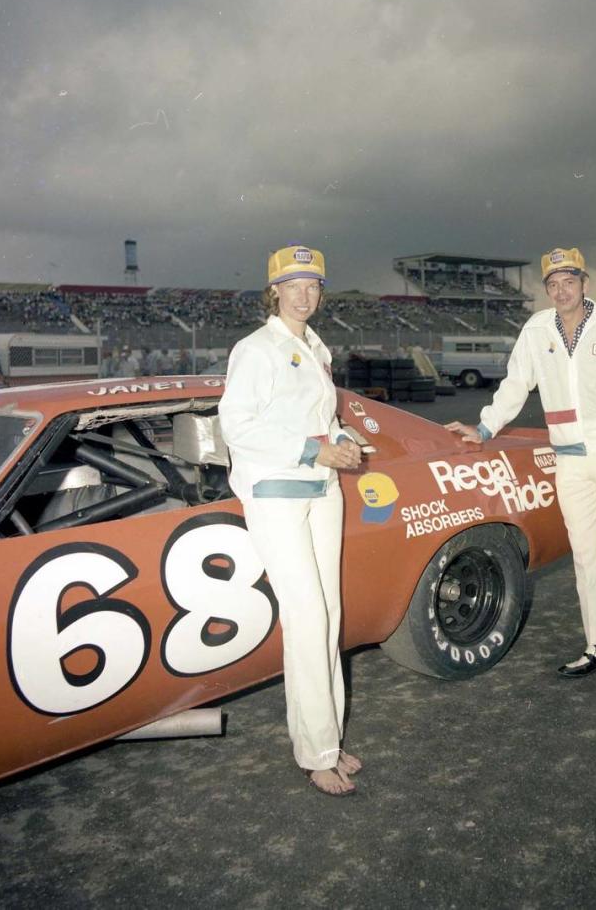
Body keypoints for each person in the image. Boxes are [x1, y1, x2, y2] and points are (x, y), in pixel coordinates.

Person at [446, 248, 596, 677]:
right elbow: (515, 384)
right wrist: (485, 428)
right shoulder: (536, 329)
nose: (562, 291)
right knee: (585, 552)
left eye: (569, 281)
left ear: (585, 283)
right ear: (547, 290)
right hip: (570, 459)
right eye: (553, 284)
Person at [218, 245, 364, 797]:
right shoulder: (255, 348)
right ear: (274, 290)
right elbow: (237, 426)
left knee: (328, 614)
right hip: (278, 494)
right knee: (305, 616)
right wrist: (311, 451)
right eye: (294, 285)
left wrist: (343, 444)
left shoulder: (316, 346)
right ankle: (315, 752)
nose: (305, 295)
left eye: (314, 286)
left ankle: (329, 737)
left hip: (323, 491)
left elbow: (324, 421)